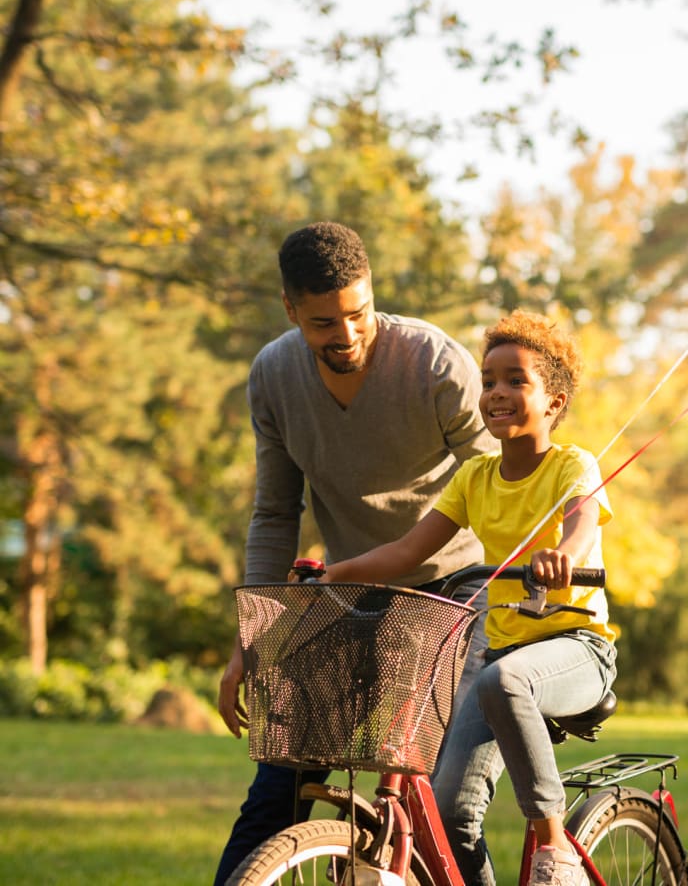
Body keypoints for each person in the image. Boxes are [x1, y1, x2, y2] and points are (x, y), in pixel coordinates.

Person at [213, 221, 498, 886]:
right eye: (322, 323)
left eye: (357, 313)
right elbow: (276, 514)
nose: (345, 335)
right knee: (277, 790)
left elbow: (495, 486)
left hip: (456, 586)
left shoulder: (433, 362)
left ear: (373, 292)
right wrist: (253, 639)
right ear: (291, 311)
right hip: (349, 587)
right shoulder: (274, 378)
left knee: (447, 801)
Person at [320, 310, 617, 886]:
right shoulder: (476, 477)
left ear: (554, 403)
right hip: (502, 662)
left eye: (515, 380)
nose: (496, 393)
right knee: (451, 814)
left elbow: (582, 524)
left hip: (578, 649)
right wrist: (336, 574)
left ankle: (555, 851)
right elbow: (407, 553)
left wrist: (565, 557)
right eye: (488, 380)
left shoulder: (572, 466)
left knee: (502, 682)